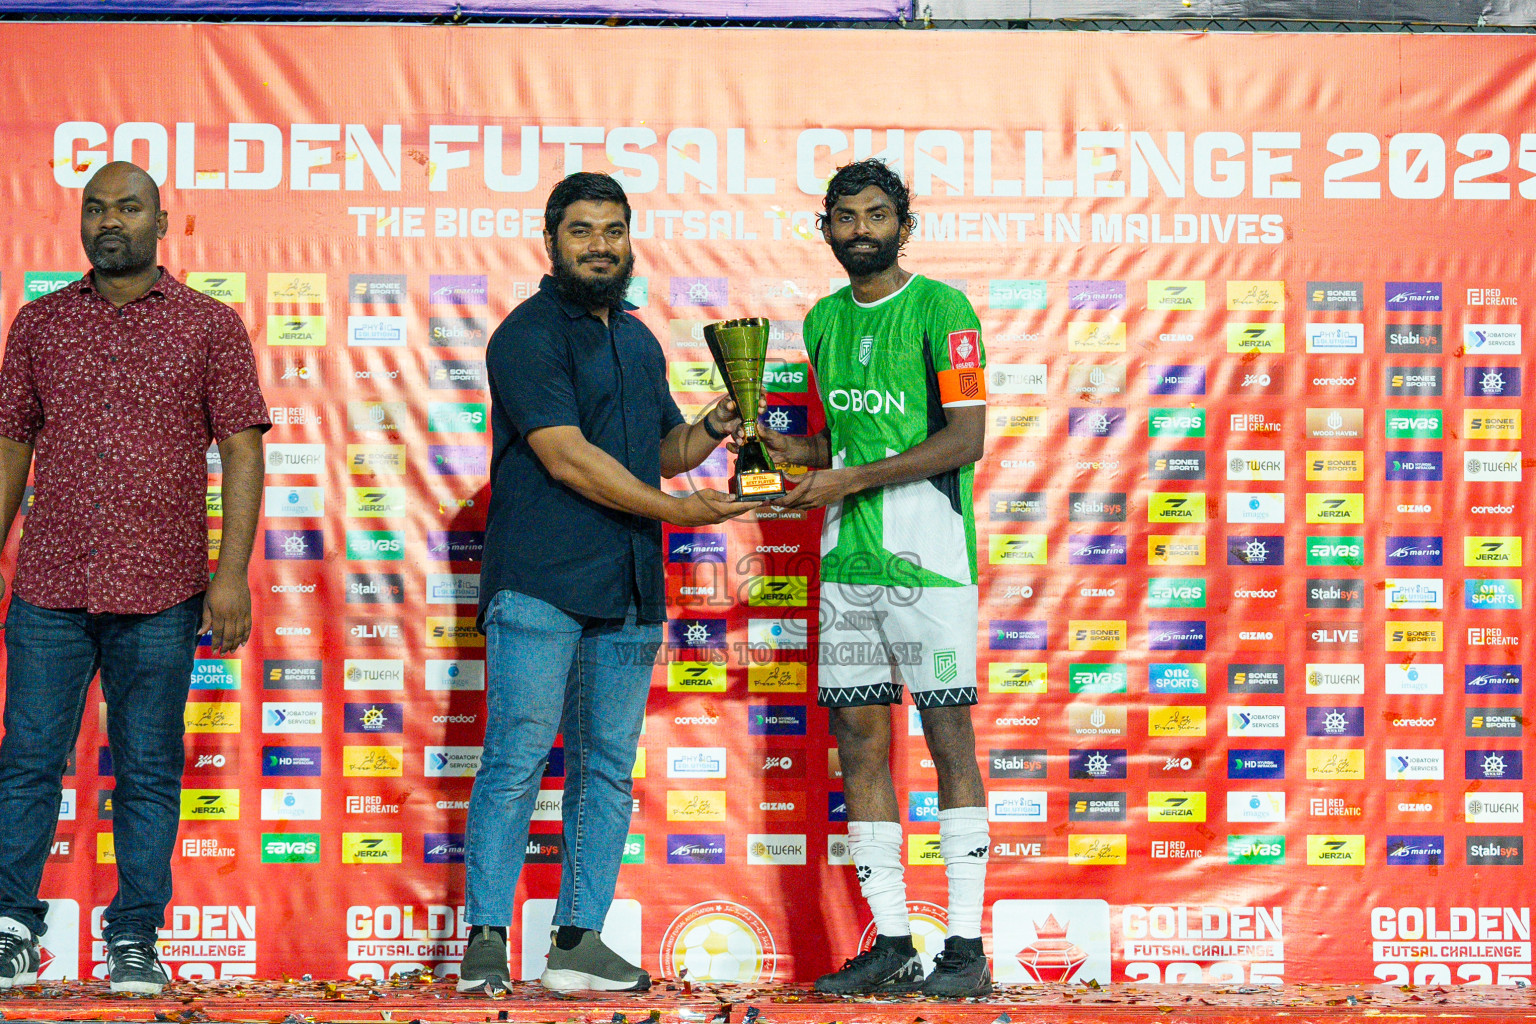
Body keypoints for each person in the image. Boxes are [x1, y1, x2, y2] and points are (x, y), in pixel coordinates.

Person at [458, 172, 754, 994]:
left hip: (627, 585)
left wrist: (710, 430)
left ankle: (577, 942)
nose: (600, 245)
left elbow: (658, 451)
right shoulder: (525, 335)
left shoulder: (639, 339)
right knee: (515, 757)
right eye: (582, 230)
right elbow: (566, 456)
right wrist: (677, 510)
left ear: (630, 239)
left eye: (613, 230)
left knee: (607, 770)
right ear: (551, 242)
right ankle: (485, 940)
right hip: (540, 581)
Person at [0, 162, 268, 994]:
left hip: (164, 587)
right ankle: (11, 925)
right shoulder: (38, 324)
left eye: (128, 207)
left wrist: (232, 576)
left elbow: (243, 450)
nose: (109, 220)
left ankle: (135, 937)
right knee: (28, 760)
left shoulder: (210, 325)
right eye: (95, 207)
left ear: (163, 223)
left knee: (148, 765)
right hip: (49, 584)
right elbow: (10, 444)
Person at [756, 159, 992, 996]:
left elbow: (964, 438)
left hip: (931, 564)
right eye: (846, 216)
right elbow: (850, 446)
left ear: (904, 224)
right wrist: (800, 455)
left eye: (877, 214)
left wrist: (846, 478)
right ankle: (892, 940)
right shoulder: (820, 321)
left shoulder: (944, 309)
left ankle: (964, 948)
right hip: (846, 564)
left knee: (947, 738)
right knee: (859, 741)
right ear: (825, 228)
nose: (862, 228)